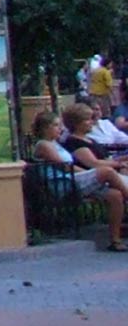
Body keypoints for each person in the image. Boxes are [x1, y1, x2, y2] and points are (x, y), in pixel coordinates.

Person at [34, 107, 128, 251]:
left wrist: (91, 175)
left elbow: (72, 167)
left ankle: (115, 240)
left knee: (115, 195)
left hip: (74, 178)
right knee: (107, 171)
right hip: (63, 184)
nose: (60, 129)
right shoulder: (43, 145)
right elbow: (64, 166)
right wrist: (94, 173)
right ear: (46, 128)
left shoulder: (56, 144)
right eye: (56, 126)